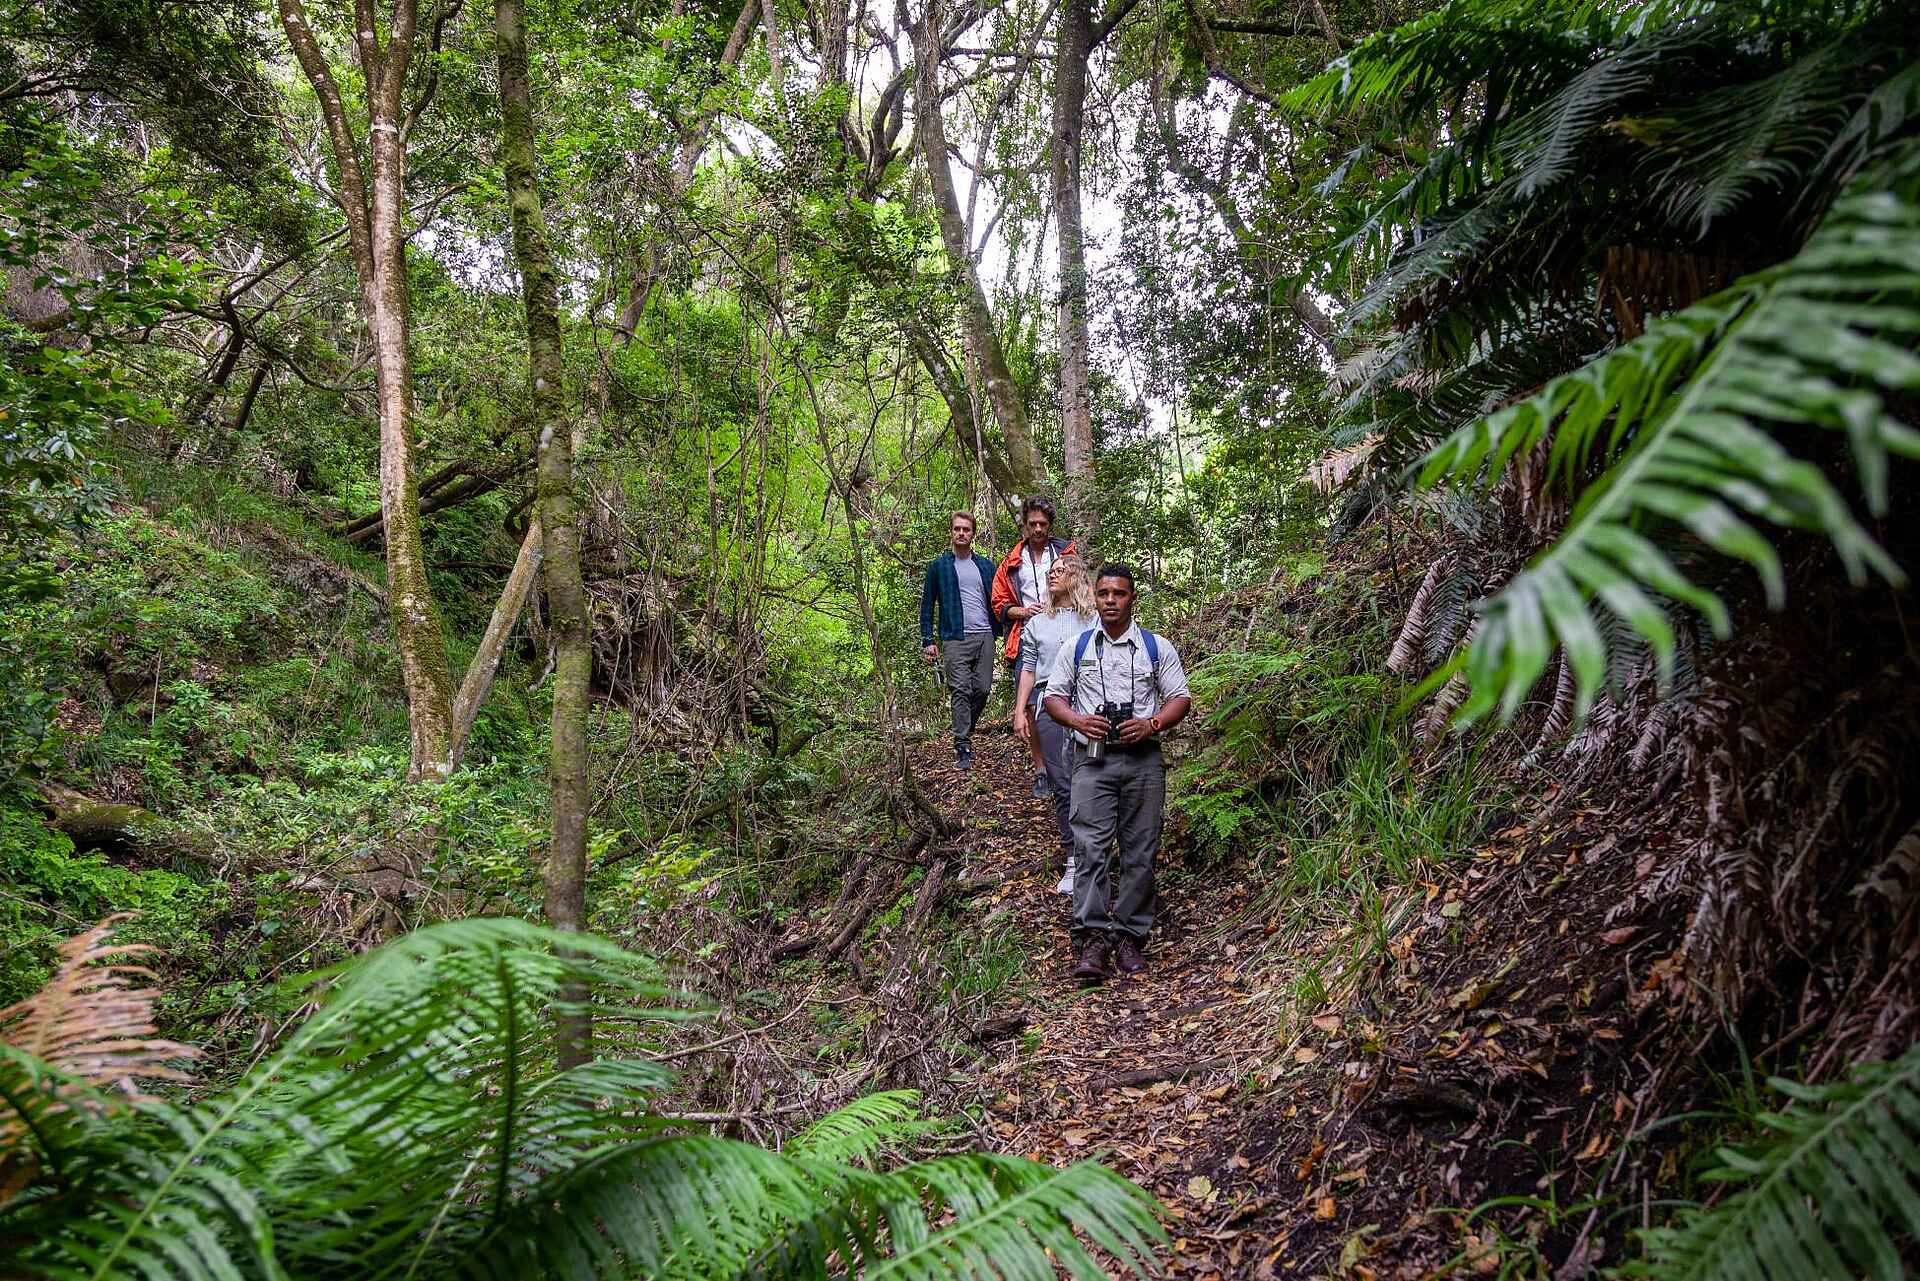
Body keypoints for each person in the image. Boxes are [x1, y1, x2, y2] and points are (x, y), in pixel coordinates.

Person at [1042, 562, 1192, 982]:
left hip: (1143, 759)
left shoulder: (1155, 647)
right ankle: (1091, 937)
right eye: (1104, 593)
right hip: (1092, 760)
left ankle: (1129, 935)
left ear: (1132, 599)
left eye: (1119, 594)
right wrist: (1077, 720)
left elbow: (1180, 697)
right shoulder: (1077, 647)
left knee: (1141, 849)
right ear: (1096, 597)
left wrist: (1153, 723)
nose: (1111, 601)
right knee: (1090, 847)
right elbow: (1053, 697)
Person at [1011, 555, 1098, 892]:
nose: (1051, 575)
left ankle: (1096, 855)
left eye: (1059, 571)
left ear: (1075, 577)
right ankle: (1073, 861)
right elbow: (1029, 668)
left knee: (1091, 777)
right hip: (1048, 704)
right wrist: (1021, 710)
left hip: (1087, 703)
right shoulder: (1036, 624)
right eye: (1049, 572)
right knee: (1062, 783)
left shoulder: (1092, 621)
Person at [990, 496, 1076, 797]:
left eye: (1043, 524)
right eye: (1032, 524)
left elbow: (1081, 586)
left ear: (1049, 525)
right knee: (1030, 704)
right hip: (1026, 634)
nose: (1038, 529)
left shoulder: (1065, 552)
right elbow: (999, 603)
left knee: (1070, 695)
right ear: (1025, 526)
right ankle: (1042, 768)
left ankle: (1071, 759)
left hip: (1065, 629)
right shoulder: (1012, 561)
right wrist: (1023, 612)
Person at [920, 511, 1001, 770]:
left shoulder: (986, 566)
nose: (961, 533)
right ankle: (962, 744)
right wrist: (927, 640)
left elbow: (1000, 599)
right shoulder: (939, 567)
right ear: (951, 532)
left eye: (966, 529)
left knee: (983, 689)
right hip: (954, 636)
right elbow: (927, 605)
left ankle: (965, 726)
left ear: (973, 533)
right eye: (957, 529)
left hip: (985, 634)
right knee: (960, 689)